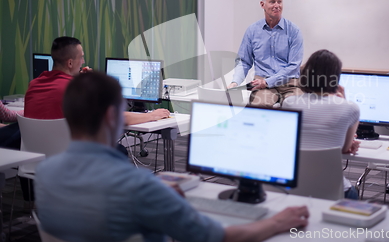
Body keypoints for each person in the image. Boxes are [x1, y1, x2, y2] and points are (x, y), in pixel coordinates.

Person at [35, 72, 309, 242]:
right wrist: (276, 222)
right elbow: (217, 237)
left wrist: (159, 195)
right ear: (111, 117)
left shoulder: (45, 173)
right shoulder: (138, 186)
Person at [24, 36, 170, 124]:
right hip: (72, 158)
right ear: (70, 63)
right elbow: (118, 118)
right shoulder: (75, 90)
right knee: (119, 151)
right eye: (81, 57)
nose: (83, 61)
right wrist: (152, 115)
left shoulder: (34, 85)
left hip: (36, 160)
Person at [282, 49, 360, 199]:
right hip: (334, 192)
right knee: (353, 192)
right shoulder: (350, 108)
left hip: (293, 188)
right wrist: (342, 101)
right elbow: (344, 148)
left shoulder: (289, 103)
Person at [228, 0, 303, 107]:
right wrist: (235, 82)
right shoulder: (252, 31)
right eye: (272, 1)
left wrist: (268, 82)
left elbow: (294, 66)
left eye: (279, 1)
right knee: (259, 106)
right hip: (262, 85)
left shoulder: (294, 31)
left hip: (289, 84)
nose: (277, 5)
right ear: (262, 4)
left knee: (297, 106)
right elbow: (244, 61)